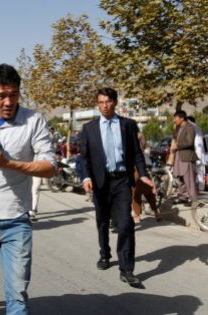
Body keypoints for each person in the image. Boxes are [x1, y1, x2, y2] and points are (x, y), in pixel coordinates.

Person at [0, 64, 56, 314]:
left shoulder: (34, 121)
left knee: (17, 293)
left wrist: (9, 164)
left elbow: (49, 167)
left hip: (16, 220)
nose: (7, 101)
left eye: (13, 95)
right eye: (1, 95)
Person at [81, 87, 154, 287]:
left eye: (108, 101)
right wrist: (86, 177)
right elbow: (84, 158)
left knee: (126, 225)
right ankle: (105, 254)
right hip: (100, 182)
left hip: (122, 180)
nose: (104, 105)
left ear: (115, 102)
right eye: (101, 102)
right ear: (98, 104)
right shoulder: (89, 128)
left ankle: (127, 269)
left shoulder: (128, 125)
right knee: (102, 222)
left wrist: (144, 175)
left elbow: (137, 154)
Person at [131, 132, 161, 223]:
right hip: (142, 165)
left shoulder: (131, 135)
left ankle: (137, 215)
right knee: (148, 191)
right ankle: (156, 212)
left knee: (135, 192)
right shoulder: (139, 134)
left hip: (135, 166)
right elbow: (143, 145)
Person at [171, 110, 199, 205]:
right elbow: (175, 139)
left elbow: (189, 142)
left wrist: (178, 146)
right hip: (179, 157)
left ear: (181, 118)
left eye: (175, 118)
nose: (174, 120)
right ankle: (183, 197)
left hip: (187, 157)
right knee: (180, 178)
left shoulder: (190, 128)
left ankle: (194, 200)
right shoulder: (179, 128)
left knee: (189, 179)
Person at [187, 116, 206, 191]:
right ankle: (200, 190)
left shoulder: (191, 128)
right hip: (200, 156)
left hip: (194, 155)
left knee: (193, 174)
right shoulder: (199, 128)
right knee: (200, 174)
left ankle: (195, 191)